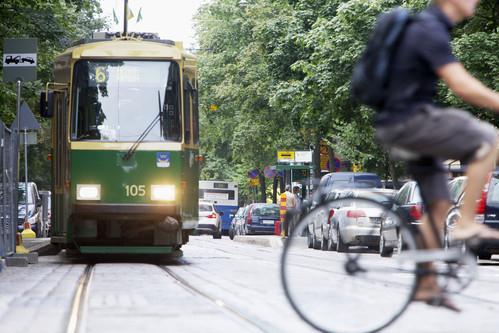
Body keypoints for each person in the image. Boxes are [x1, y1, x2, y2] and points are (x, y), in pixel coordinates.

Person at [374, 0, 499, 311]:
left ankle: (426, 284)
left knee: (441, 204)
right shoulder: (429, 29)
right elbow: (460, 85)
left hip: (398, 125)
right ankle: (467, 222)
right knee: (490, 139)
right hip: (409, 123)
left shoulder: (431, 28)